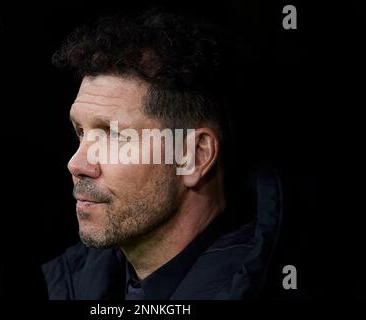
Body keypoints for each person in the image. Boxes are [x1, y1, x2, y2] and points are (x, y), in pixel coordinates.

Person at [42, 8, 283, 300]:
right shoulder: (72, 284)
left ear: (194, 156)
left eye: (115, 135)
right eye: (80, 132)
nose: (76, 164)